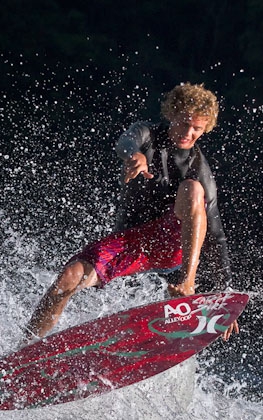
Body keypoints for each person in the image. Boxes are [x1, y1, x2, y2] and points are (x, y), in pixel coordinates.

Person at [24, 82, 237, 341]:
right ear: (171, 114)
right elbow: (125, 142)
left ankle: (187, 285)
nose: (188, 132)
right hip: (131, 242)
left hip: (171, 246)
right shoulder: (146, 134)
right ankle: (24, 348)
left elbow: (216, 235)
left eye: (197, 129)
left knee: (193, 190)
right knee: (68, 279)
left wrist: (224, 297)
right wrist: (134, 155)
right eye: (183, 123)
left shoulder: (200, 170)